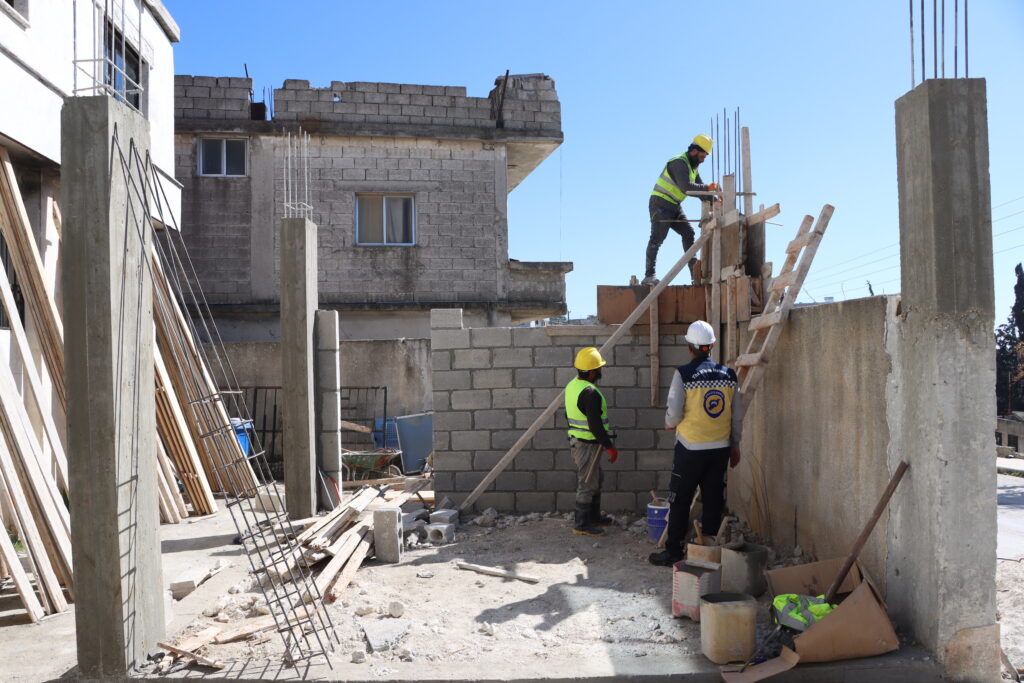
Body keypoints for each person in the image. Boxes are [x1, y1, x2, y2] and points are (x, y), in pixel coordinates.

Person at [649, 321, 744, 566]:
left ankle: (673, 552)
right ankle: (709, 550)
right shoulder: (729, 375)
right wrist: (734, 445)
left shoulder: (683, 375)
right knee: (713, 499)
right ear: (711, 346)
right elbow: (736, 414)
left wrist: (670, 423)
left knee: (680, 500)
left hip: (690, 449)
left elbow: (674, 411)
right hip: (720, 449)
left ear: (689, 347)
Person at [643, 134, 719, 287]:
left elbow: (700, 190)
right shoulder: (679, 163)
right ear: (695, 151)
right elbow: (687, 188)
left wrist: (715, 201)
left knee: (688, 233)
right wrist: (708, 188)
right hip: (661, 204)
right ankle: (649, 276)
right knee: (657, 239)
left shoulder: (693, 167)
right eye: (703, 156)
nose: (703, 160)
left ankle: (694, 274)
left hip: (674, 205)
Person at [564, 347, 618, 536]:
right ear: (593, 371)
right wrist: (610, 447)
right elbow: (595, 426)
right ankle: (581, 524)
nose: (601, 371)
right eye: (599, 368)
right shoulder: (590, 393)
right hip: (586, 444)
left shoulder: (573, 385)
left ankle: (594, 517)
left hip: (582, 442)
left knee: (596, 479)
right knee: (587, 483)